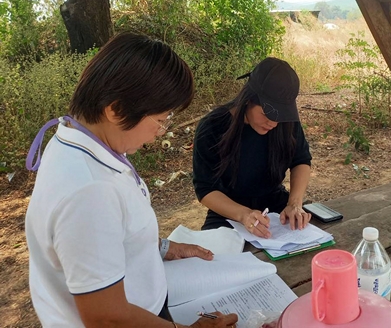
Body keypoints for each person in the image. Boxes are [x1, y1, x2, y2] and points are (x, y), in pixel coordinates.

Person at [25, 33, 238, 328]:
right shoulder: (89, 191)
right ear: (116, 110)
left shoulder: (77, 137)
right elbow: (106, 317)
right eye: (161, 120)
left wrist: (161, 247)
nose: (162, 131)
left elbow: (103, 237)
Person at [193, 57, 312, 238]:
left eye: (280, 116)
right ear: (247, 100)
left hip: (276, 207)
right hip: (228, 212)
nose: (273, 123)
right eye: (266, 114)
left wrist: (294, 204)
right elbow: (205, 189)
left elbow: (301, 160)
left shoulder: (286, 123)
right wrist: (244, 214)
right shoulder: (212, 127)